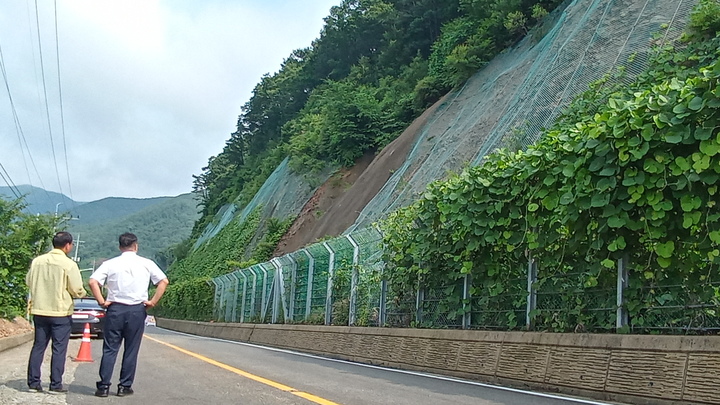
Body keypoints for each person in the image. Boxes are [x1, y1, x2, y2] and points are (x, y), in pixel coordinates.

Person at [88, 232, 169, 398]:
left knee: (110, 349)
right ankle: (124, 386)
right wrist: (152, 301)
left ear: (120, 247)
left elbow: (92, 281)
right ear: (136, 246)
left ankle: (103, 387)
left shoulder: (110, 264)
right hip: (137, 310)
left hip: (115, 309)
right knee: (131, 349)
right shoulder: (147, 263)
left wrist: (102, 301)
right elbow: (163, 281)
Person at [26, 231, 87, 393]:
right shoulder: (69, 264)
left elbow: (28, 281)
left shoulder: (37, 261)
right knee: (59, 348)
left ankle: (33, 383)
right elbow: (76, 288)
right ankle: (55, 385)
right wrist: (82, 294)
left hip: (39, 310)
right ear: (67, 245)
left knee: (38, 346)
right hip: (60, 312)